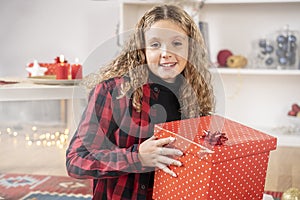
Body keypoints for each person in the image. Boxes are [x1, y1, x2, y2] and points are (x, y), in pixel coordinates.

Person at [66, 4, 214, 200]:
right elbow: (76, 160)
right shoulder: (113, 92)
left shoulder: (194, 92)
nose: (166, 53)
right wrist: (137, 157)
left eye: (177, 43)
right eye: (155, 44)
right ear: (141, 49)